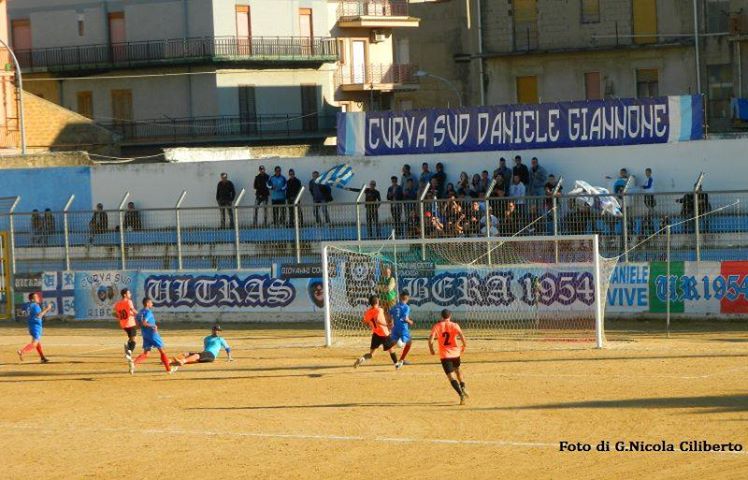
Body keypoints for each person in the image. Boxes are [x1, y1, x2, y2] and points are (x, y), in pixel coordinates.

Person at [428, 309, 469, 405]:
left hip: (445, 355)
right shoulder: (455, 325)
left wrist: (431, 349)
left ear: (441, 316)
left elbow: (430, 340)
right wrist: (464, 345)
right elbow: (462, 336)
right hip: (455, 353)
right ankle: (463, 386)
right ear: (450, 316)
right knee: (458, 370)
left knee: (451, 376)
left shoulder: (437, 326)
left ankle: (460, 394)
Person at [353, 295, 400, 368]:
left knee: (371, 354)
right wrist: (387, 324)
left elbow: (364, 321)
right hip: (384, 334)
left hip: (376, 334)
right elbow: (378, 320)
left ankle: (362, 358)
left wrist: (371, 324)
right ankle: (396, 364)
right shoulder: (379, 310)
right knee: (391, 349)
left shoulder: (368, 312)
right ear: (377, 302)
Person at [128, 297, 172, 374]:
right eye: (151, 303)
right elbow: (144, 323)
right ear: (147, 303)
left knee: (146, 353)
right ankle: (169, 369)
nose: (152, 304)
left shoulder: (140, 313)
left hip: (145, 334)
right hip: (152, 334)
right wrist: (153, 326)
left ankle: (133, 363)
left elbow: (138, 325)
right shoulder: (148, 312)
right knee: (162, 351)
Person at [17, 292, 52, 363]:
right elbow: (39, 315)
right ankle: (22, 351)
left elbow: (20, 313)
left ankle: (42, 357)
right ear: (32, 299)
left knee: (37, 342)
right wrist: (47, 309)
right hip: (36, 326)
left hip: (30, 326)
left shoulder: (26, 305)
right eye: (36, 297)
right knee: (34, 343)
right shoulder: (36, 305)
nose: (38, 298)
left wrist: (25, 313)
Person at [390, 290, 414, 369]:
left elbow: (390, 315)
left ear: (400, 297)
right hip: (403, 328)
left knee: (391, 344)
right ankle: (401, 360)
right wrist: (410, 322)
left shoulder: (394, 306)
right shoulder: (406, 307)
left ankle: (389, 348)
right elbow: (405, 318)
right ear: (407, 298)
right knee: (409, 342)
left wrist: (391, 322)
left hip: (395, 328)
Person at [113, 288, 138, 360]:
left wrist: (120, 317)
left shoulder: (118, 304)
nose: (130, 294)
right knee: (134, 339)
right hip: (130, 323)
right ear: (125, 295)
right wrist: (140, 315)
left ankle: (127, 346)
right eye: (129, 293)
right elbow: (132, 310)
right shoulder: (128, 301)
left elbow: (114, 313)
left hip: (123, 324)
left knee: (131, 337)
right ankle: (129, 352)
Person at [641, 168, 656, 236]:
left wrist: (643, 187)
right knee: (647, 204)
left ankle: (651, 213)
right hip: (647, 194)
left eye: (647, 172)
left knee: (649, 205)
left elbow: (649, 186)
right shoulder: (647, 179)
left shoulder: (650, 179)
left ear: (650, 173)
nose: (646, 174)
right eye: (646, 172)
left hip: (650, 194)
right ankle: (650, 213)